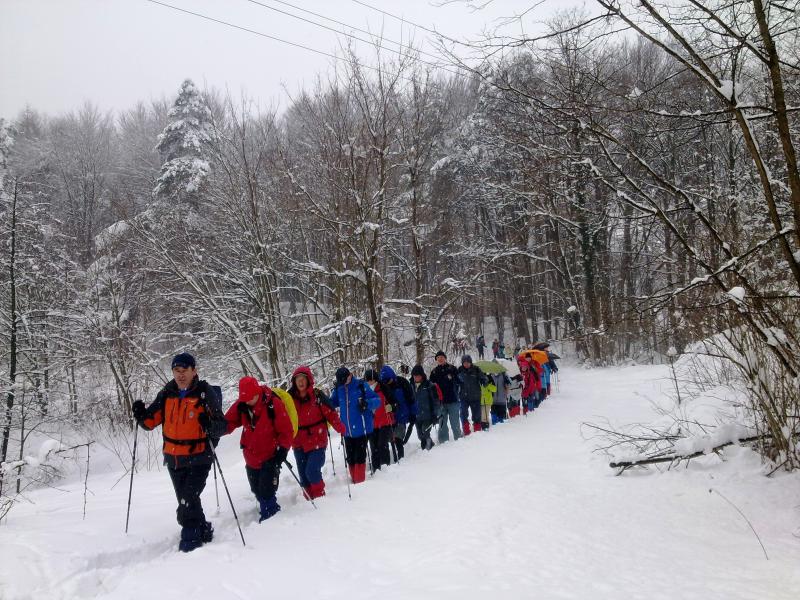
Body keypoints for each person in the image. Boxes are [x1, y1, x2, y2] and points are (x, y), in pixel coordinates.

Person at [131, 352, 226, 552]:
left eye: (185, 370)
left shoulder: (204, 392)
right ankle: (203, 529)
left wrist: (209, 425)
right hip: (174, 458)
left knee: (187, 501)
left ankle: (190, 542)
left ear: (194, 371)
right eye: (177, 370)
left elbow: (221, 426)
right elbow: (150, 422)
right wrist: (140, 415)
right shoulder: (168, 393)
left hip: (199, 457)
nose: (181, 375)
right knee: (188, 499)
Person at [224, 376, 293, 523]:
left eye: (251, 398)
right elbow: (228, 423)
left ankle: (270, 517)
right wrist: (214, 428)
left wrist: (282, 450)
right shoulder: (242, 404)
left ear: (258, 392)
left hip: (270, 456)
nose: (248, 401)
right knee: (256, 489)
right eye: (245, 399)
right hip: (250, 456)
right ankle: (266, 508)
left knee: (267, 490)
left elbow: (286, 430)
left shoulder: (273, 404)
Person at [288, 366, 345, 500]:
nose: (300, 382)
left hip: (317, 441)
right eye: (297, 379)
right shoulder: (289, 398)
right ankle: (309, 501)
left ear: (309, 380)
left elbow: (331, 413)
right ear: (294, 382)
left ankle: (320, 498)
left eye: (303, 379)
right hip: (298, 443)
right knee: (303, 476)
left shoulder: (318, 395)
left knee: (312, 471)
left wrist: (340, 428)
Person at [330, 367, 380, 484]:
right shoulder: (339, 388)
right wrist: (323, 399)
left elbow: (377, 400)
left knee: (359, 457)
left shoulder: (361, 385)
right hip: (347, 431)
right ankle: (354, 481)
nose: (344, 383)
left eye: (345, 380)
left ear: (350, 375)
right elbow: (332, 403)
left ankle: (359, 483)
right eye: (341, 382)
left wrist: (367, 403)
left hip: (361, 429)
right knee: (350, 458)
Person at [379, 365, 416, 460]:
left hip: (402, 416)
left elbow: (411, 399)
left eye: (388, 380)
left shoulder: (402, 382)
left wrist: (413, 414)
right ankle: (393, 459)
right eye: (384, 381)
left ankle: (401, 460)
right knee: (391, 440)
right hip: (389, 418)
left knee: (398, 439)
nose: (387, 383)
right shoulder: (382, 386)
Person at [364, 368, 395, 469]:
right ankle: (376, 469)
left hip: (385, 422)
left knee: (382, 445)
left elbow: (393, 402)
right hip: (372, 424)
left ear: (375, 379)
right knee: (374, 447)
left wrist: (390, 407)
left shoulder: (383, 388)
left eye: (371, 380)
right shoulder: (364, 391)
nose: (369, 382)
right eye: (367, 380)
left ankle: (385, 467)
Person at [429, 351, 462, 443]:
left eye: (441, 357)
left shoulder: (452, 368)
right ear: (436, 360)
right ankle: (443, 441)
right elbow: (431, 387)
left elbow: (460, 381)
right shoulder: (434, 372)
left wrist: (454, 381)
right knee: (442, 423)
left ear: (445, 358)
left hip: (453, 400)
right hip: (441, 402)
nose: (440, 359)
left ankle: (458, 439)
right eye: (438, 358)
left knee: (455, 422)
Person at [410, 365, 442, 450]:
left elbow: (436, 401)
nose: (416, 377)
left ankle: (428, 449)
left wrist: (435, 414)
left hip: (428, 415)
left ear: (422, 375)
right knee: (420, 435)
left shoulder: (429, 385)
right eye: (414, 375)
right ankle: (430, 444)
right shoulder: (411, 386)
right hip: (417, 416)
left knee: (425, 431)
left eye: (418, 375)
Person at [457, 355, 486, 434]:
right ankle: (466, 430)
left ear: (470, 362)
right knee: (463, 413)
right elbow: (455, 381)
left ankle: (477, 430)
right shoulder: (459, 370)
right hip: (463, 396)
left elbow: (483, 377)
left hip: (475, 396)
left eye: (468, 362)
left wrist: (484, 381)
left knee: (477, 414)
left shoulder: (476, 369)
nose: (466, 364)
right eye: (464, 363)